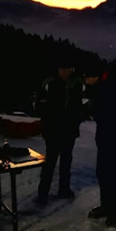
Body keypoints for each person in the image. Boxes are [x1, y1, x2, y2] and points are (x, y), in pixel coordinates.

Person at [36, 59, 86, 205]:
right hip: (52, 130)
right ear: (58, 69)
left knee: (66, 162)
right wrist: (46, 119)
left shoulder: (78, 84)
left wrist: (78, 117)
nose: (65, 72)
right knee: (49, 163)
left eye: (68, 69)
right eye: (62, 69)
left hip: (69, 131)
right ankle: (42, 194)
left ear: (72, 69)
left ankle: (64, 190)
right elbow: (39, 103)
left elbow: (86, 103)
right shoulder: (49, 82)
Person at [88, 63, 116, 227]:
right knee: (102, 172)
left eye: (87, 78)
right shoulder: (104, 86)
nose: (86, 81)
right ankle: (108, 206)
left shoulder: (107, 88)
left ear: (95, 77)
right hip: (107, 135)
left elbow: (103, 111)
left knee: (111, 174)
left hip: (113, 135)